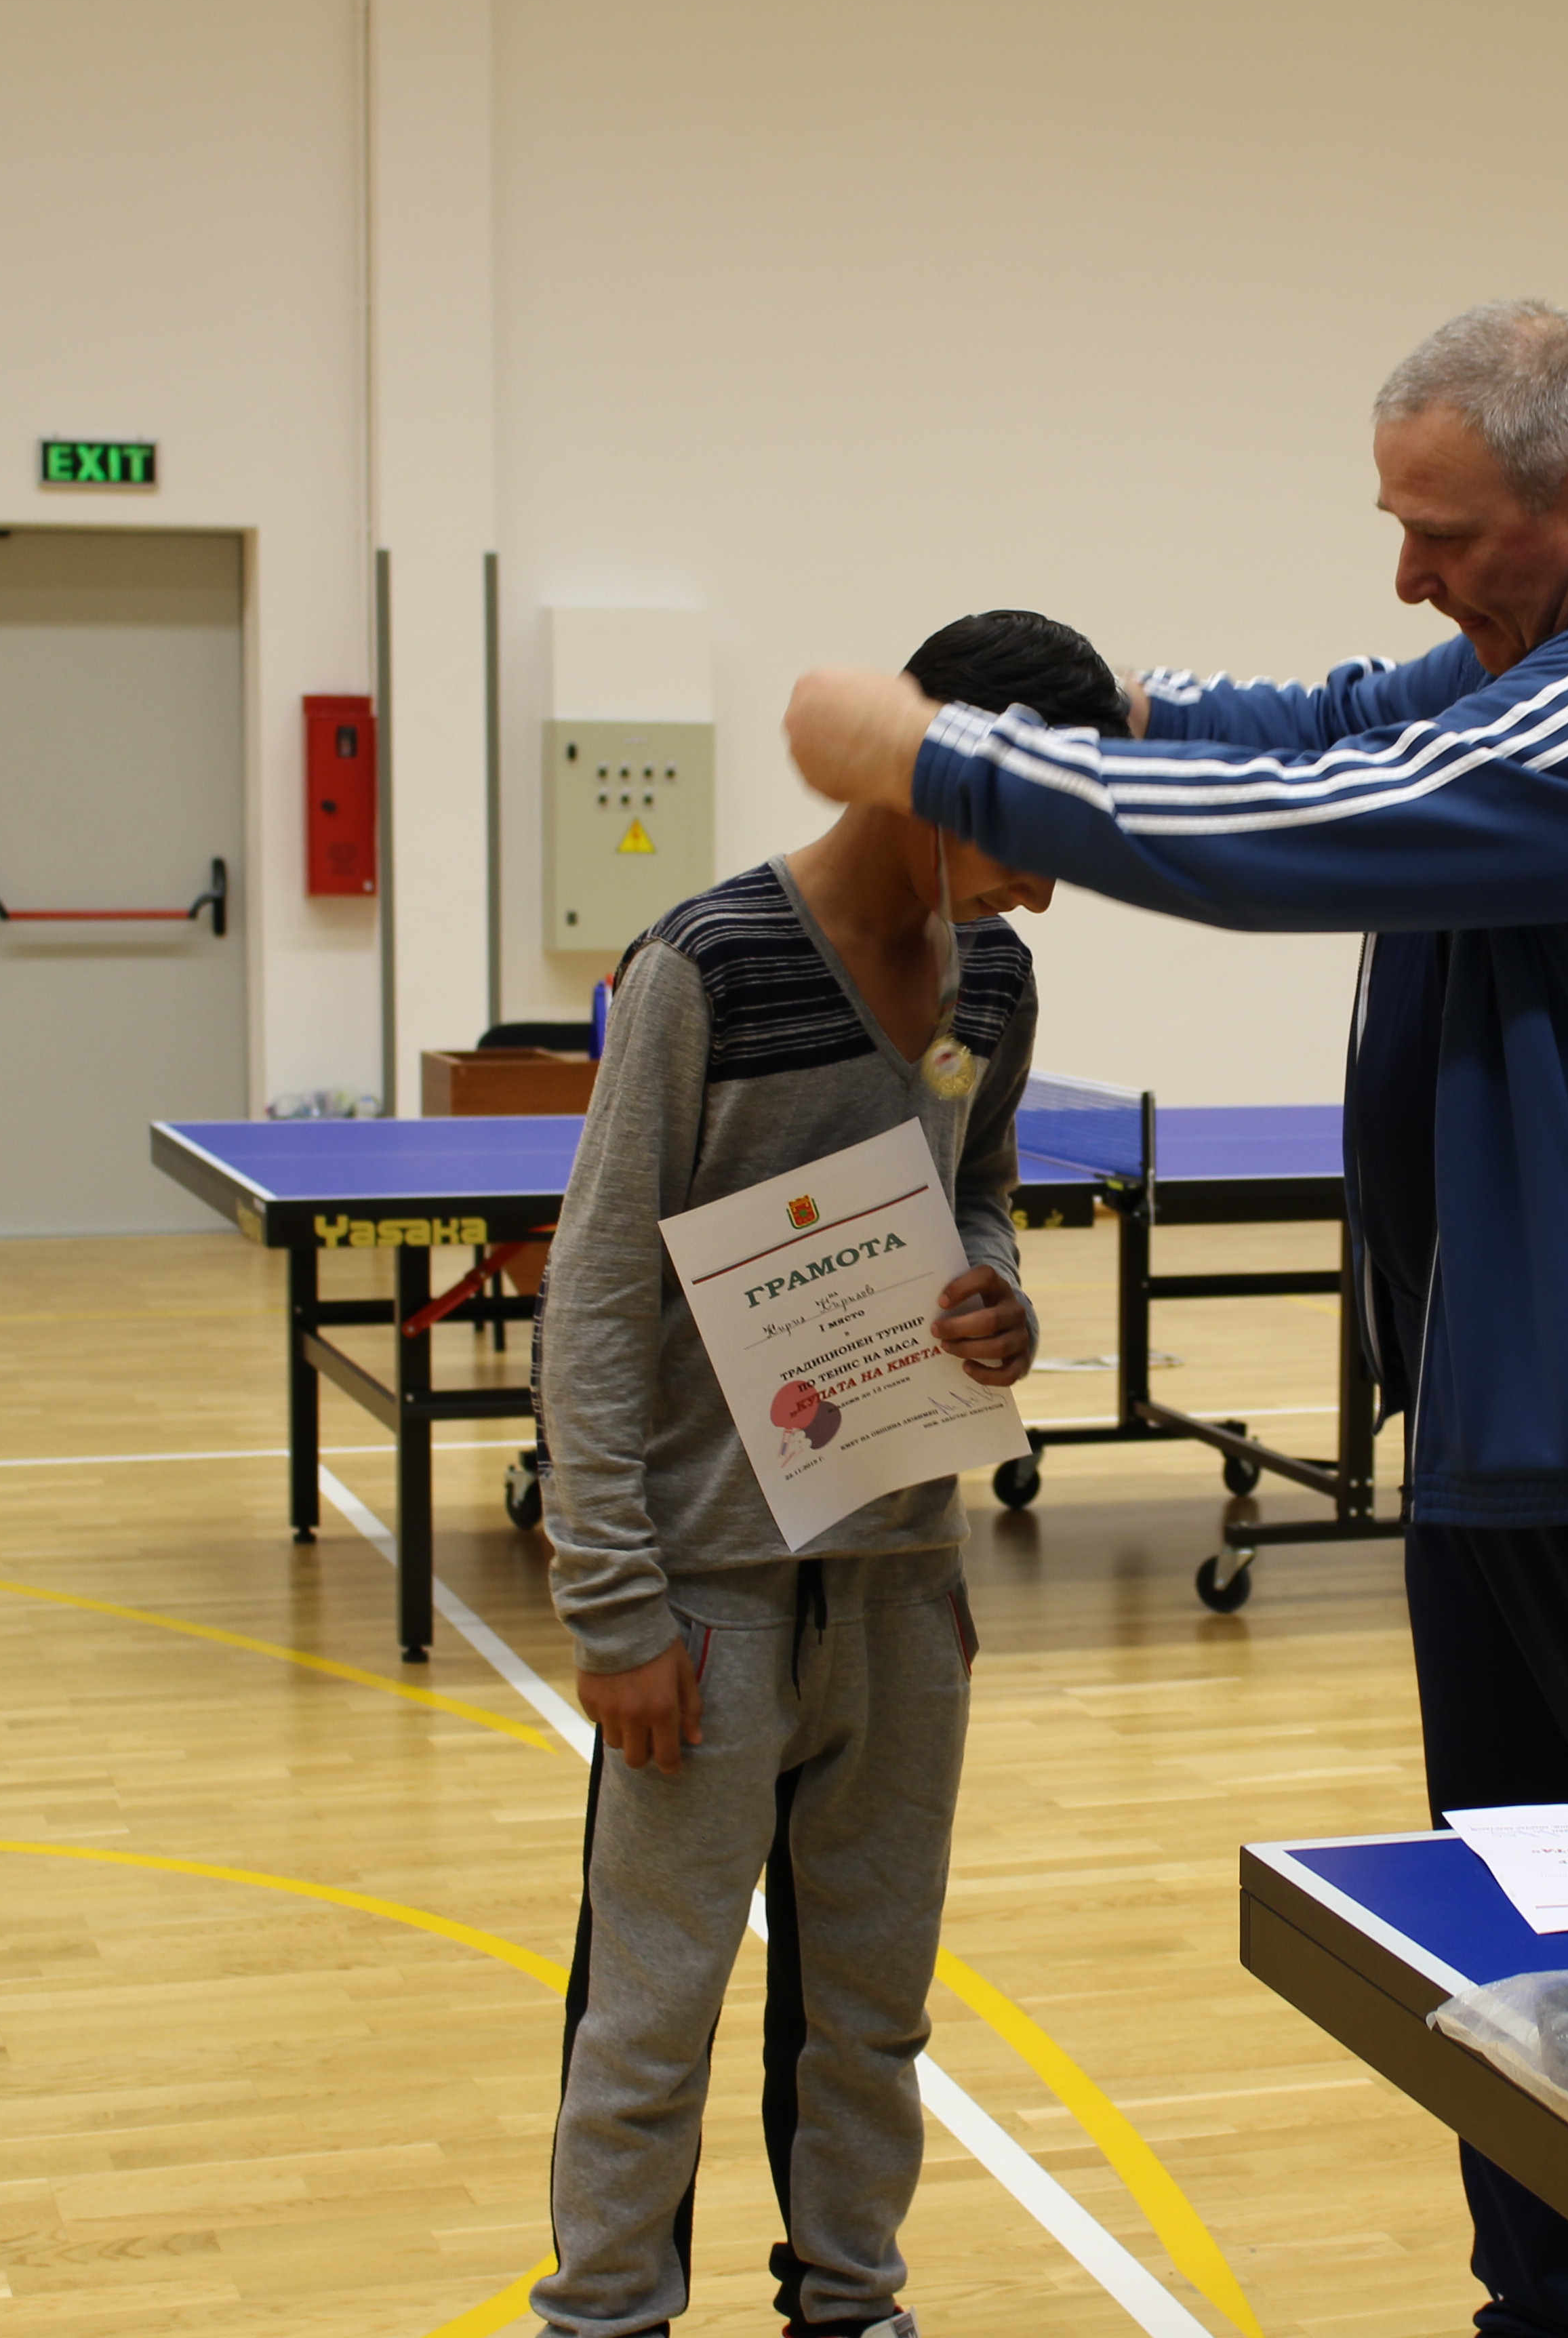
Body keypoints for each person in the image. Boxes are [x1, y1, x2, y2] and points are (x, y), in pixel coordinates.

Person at [784, 300, 1568, 2338]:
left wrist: (952, 759)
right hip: (1506, 1450)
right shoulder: (1533, 653)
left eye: (1444, 536)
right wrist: (1108, 702)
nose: (1407, 578)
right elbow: (1320, 729)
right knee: (1525, 1994)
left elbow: (1326, 829)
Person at [531, 611, 1119, 2338]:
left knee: (873, 2011)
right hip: (705, 1604)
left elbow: (978, 1191)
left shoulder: (995, 982)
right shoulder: (704, 965)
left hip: (904, 1591)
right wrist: (616, 1606)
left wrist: (998, 1298)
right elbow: (594, 1296)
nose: (1052, 888)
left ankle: (850, 2302)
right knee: (653, 2015)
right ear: (938, 767)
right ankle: (606, 2313)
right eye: (1039, 833)